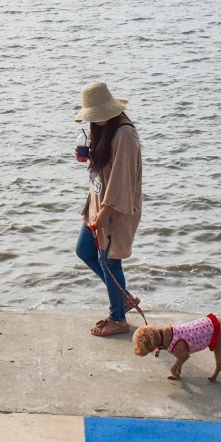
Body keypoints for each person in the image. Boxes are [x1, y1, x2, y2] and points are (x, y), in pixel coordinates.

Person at [73, 81, 143, 337]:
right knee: (85, 251)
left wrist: (108, 211)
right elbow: (106, 167)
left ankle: (118, 318)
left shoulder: (125, 134)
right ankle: (123, 298)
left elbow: (123, 177)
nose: (95, 120)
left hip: (115, 206)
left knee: (109, 261)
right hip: (97, 203)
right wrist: (88, 157)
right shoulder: (103, 128)